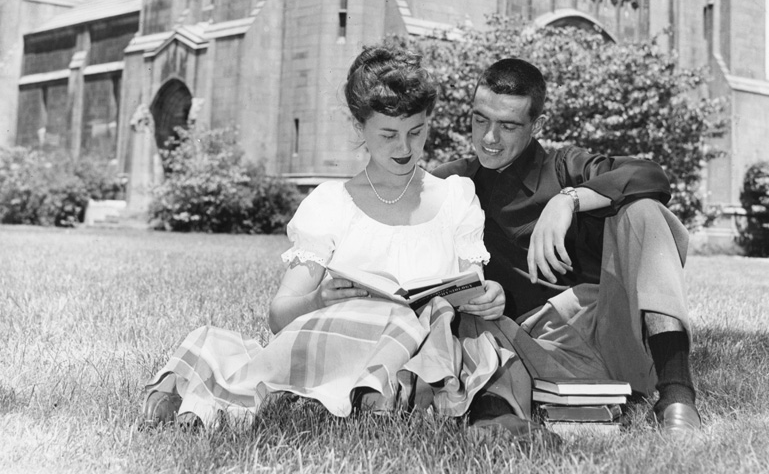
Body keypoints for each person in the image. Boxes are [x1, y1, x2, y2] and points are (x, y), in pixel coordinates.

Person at [142, 45, 510, 427]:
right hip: (340, 346)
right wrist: (317, 298)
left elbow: (471, 288)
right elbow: (279, 315)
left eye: (415, 132)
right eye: (387, 134)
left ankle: (378, 395)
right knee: (377, 319)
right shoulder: (332, 202)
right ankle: (353, 394)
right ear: (359, 128)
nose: (404, 148)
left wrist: (489, 296)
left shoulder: (455, 196)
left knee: (415, 323)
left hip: (425, 351)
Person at [433, 57, 702, 435]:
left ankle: (677, 397)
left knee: (644, 211)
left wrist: (567, 201)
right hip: (526, 347)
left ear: (537, 125)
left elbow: (649, 174)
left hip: (610, 334)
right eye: (480, 119)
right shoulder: (451, 181)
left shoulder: (564, 167)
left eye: (508, 125)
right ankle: (501, 416)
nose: (489, 138)